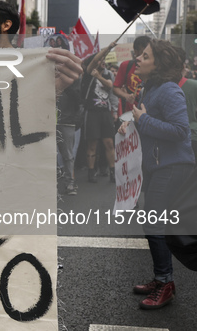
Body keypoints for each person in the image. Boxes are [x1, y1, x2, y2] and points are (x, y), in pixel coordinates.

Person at [119, 39, 195, 309]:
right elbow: (147, 122)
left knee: (154, 223)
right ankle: (160, 278)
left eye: (146, 56)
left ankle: (165, 283)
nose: (138, 58)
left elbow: (180, 130)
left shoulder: (169, 90)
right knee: (153, 223)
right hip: (156, 166)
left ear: (159, 64)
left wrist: (142, 120)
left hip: (172, 166)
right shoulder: (149, 88)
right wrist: (130, 125)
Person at [81, 54, 116, 183]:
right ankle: (91, 172)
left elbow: (109, 87)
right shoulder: (88, 74)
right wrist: (94, 75)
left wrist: (115, 111)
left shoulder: (107, 74)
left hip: (105, 113)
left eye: (104, 60)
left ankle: (112, 171)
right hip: (92, 113)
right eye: (100, 60)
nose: (103, 62)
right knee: (92, 144)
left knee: (109, 143)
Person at [113, 36, 150, 116]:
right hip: (130, 113)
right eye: (143, 51)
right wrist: (126, 96)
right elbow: (115, 88)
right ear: (136, 52)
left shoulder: (153, 67)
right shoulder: (126, 66)